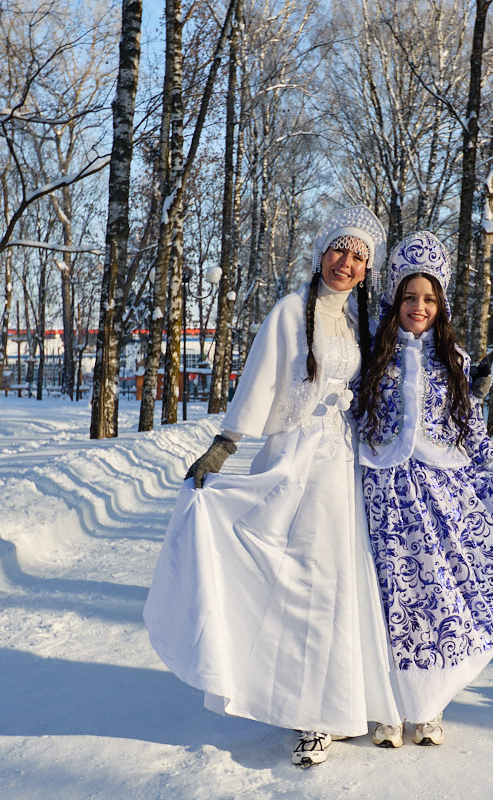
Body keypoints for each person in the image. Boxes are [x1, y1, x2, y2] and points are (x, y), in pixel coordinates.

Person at [143, 206, 402, 767]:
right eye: (340, 250)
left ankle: (344, 702)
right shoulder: (290, 311)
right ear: (321, 252)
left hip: (343, 466)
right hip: (295, 460)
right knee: (298, 583)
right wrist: (226, 443)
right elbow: (260, 380)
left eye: (359, 257)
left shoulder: (358, 323)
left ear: (367, 270)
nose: (347, 263)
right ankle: (309, 713)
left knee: (340, 583)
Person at [353, 230, 493, 749]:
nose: (419, 307)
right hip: (380, 496)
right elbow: (345, 418)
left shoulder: (454, 361)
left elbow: (473, 433)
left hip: (440, 498)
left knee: (436, 596)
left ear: (440, 305)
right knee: (385, 601)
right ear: (395, 299)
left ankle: (428, 705)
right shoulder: (370, 355)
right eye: (410, 297)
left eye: (429, 299)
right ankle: (387, 707)